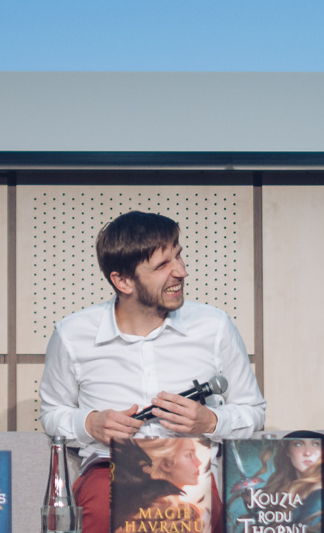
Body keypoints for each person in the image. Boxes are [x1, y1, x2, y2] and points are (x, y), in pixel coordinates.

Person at [39, 211, 267, 533]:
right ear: (123, 281)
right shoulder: (72, 334)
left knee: (198, 513)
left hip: (192, 474)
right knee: (101, 511)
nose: (181, 272)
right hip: (109, 470)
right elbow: (52, 413)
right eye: (162, 266)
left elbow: (253, 411)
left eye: (179, 256)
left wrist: (211, 422)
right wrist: (89, 423)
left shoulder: (214, 326)